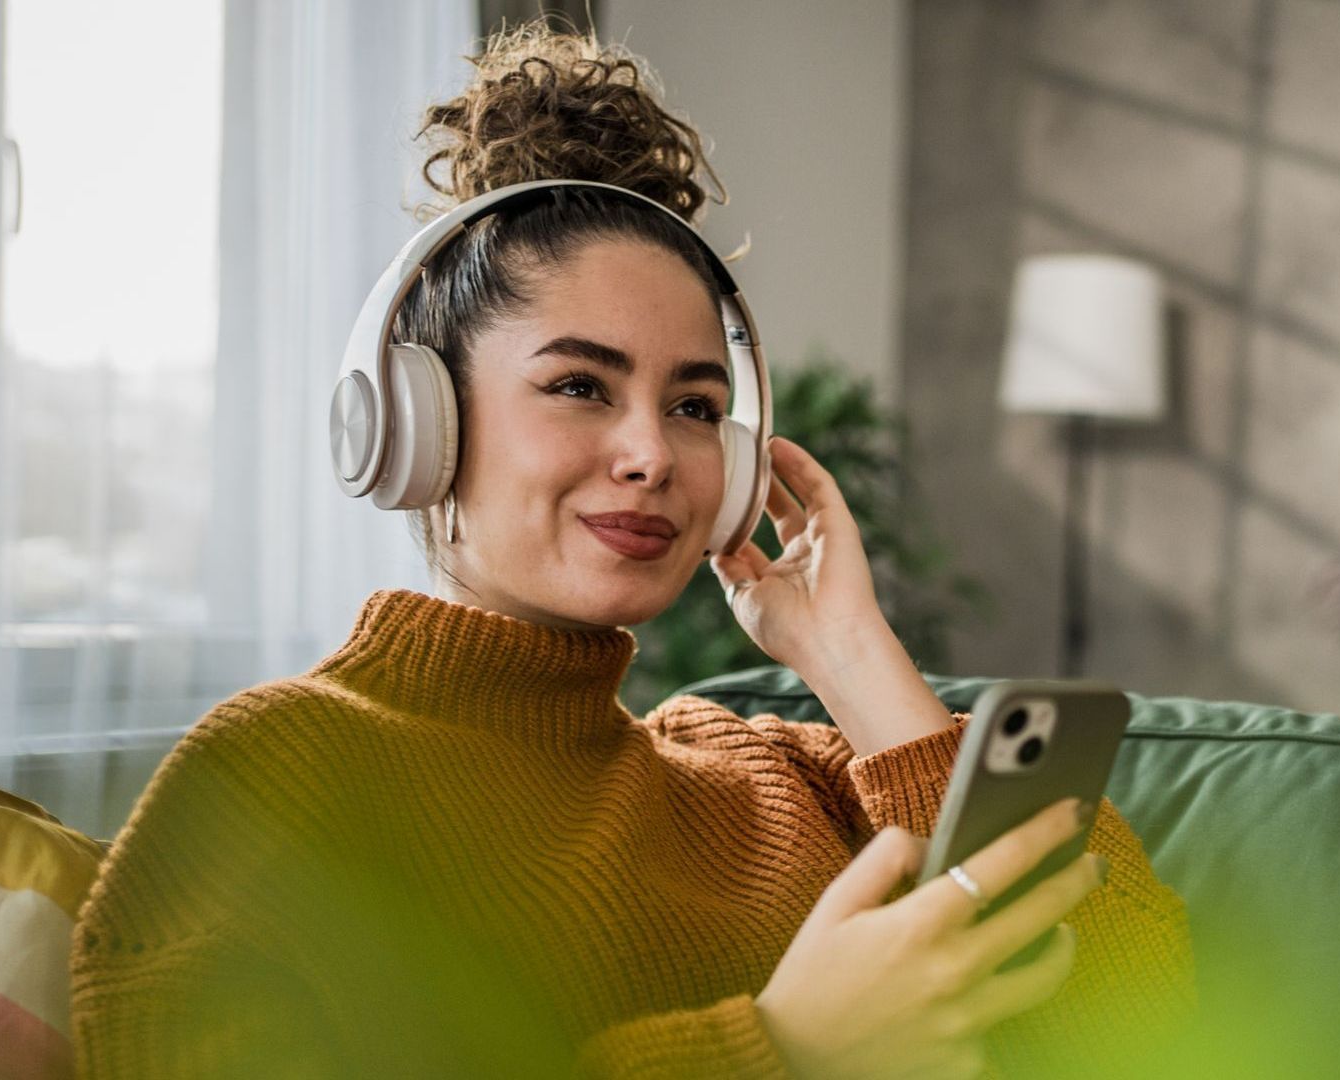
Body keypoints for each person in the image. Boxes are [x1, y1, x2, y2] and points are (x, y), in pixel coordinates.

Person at [69, 19, 1195, 1080]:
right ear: (417, 423)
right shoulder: (276, 776)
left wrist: (850, 652)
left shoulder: (769, 776)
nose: (652, 453)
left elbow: (1145, 1019)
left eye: (698, 407)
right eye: (577, 386)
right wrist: (779, 1049)